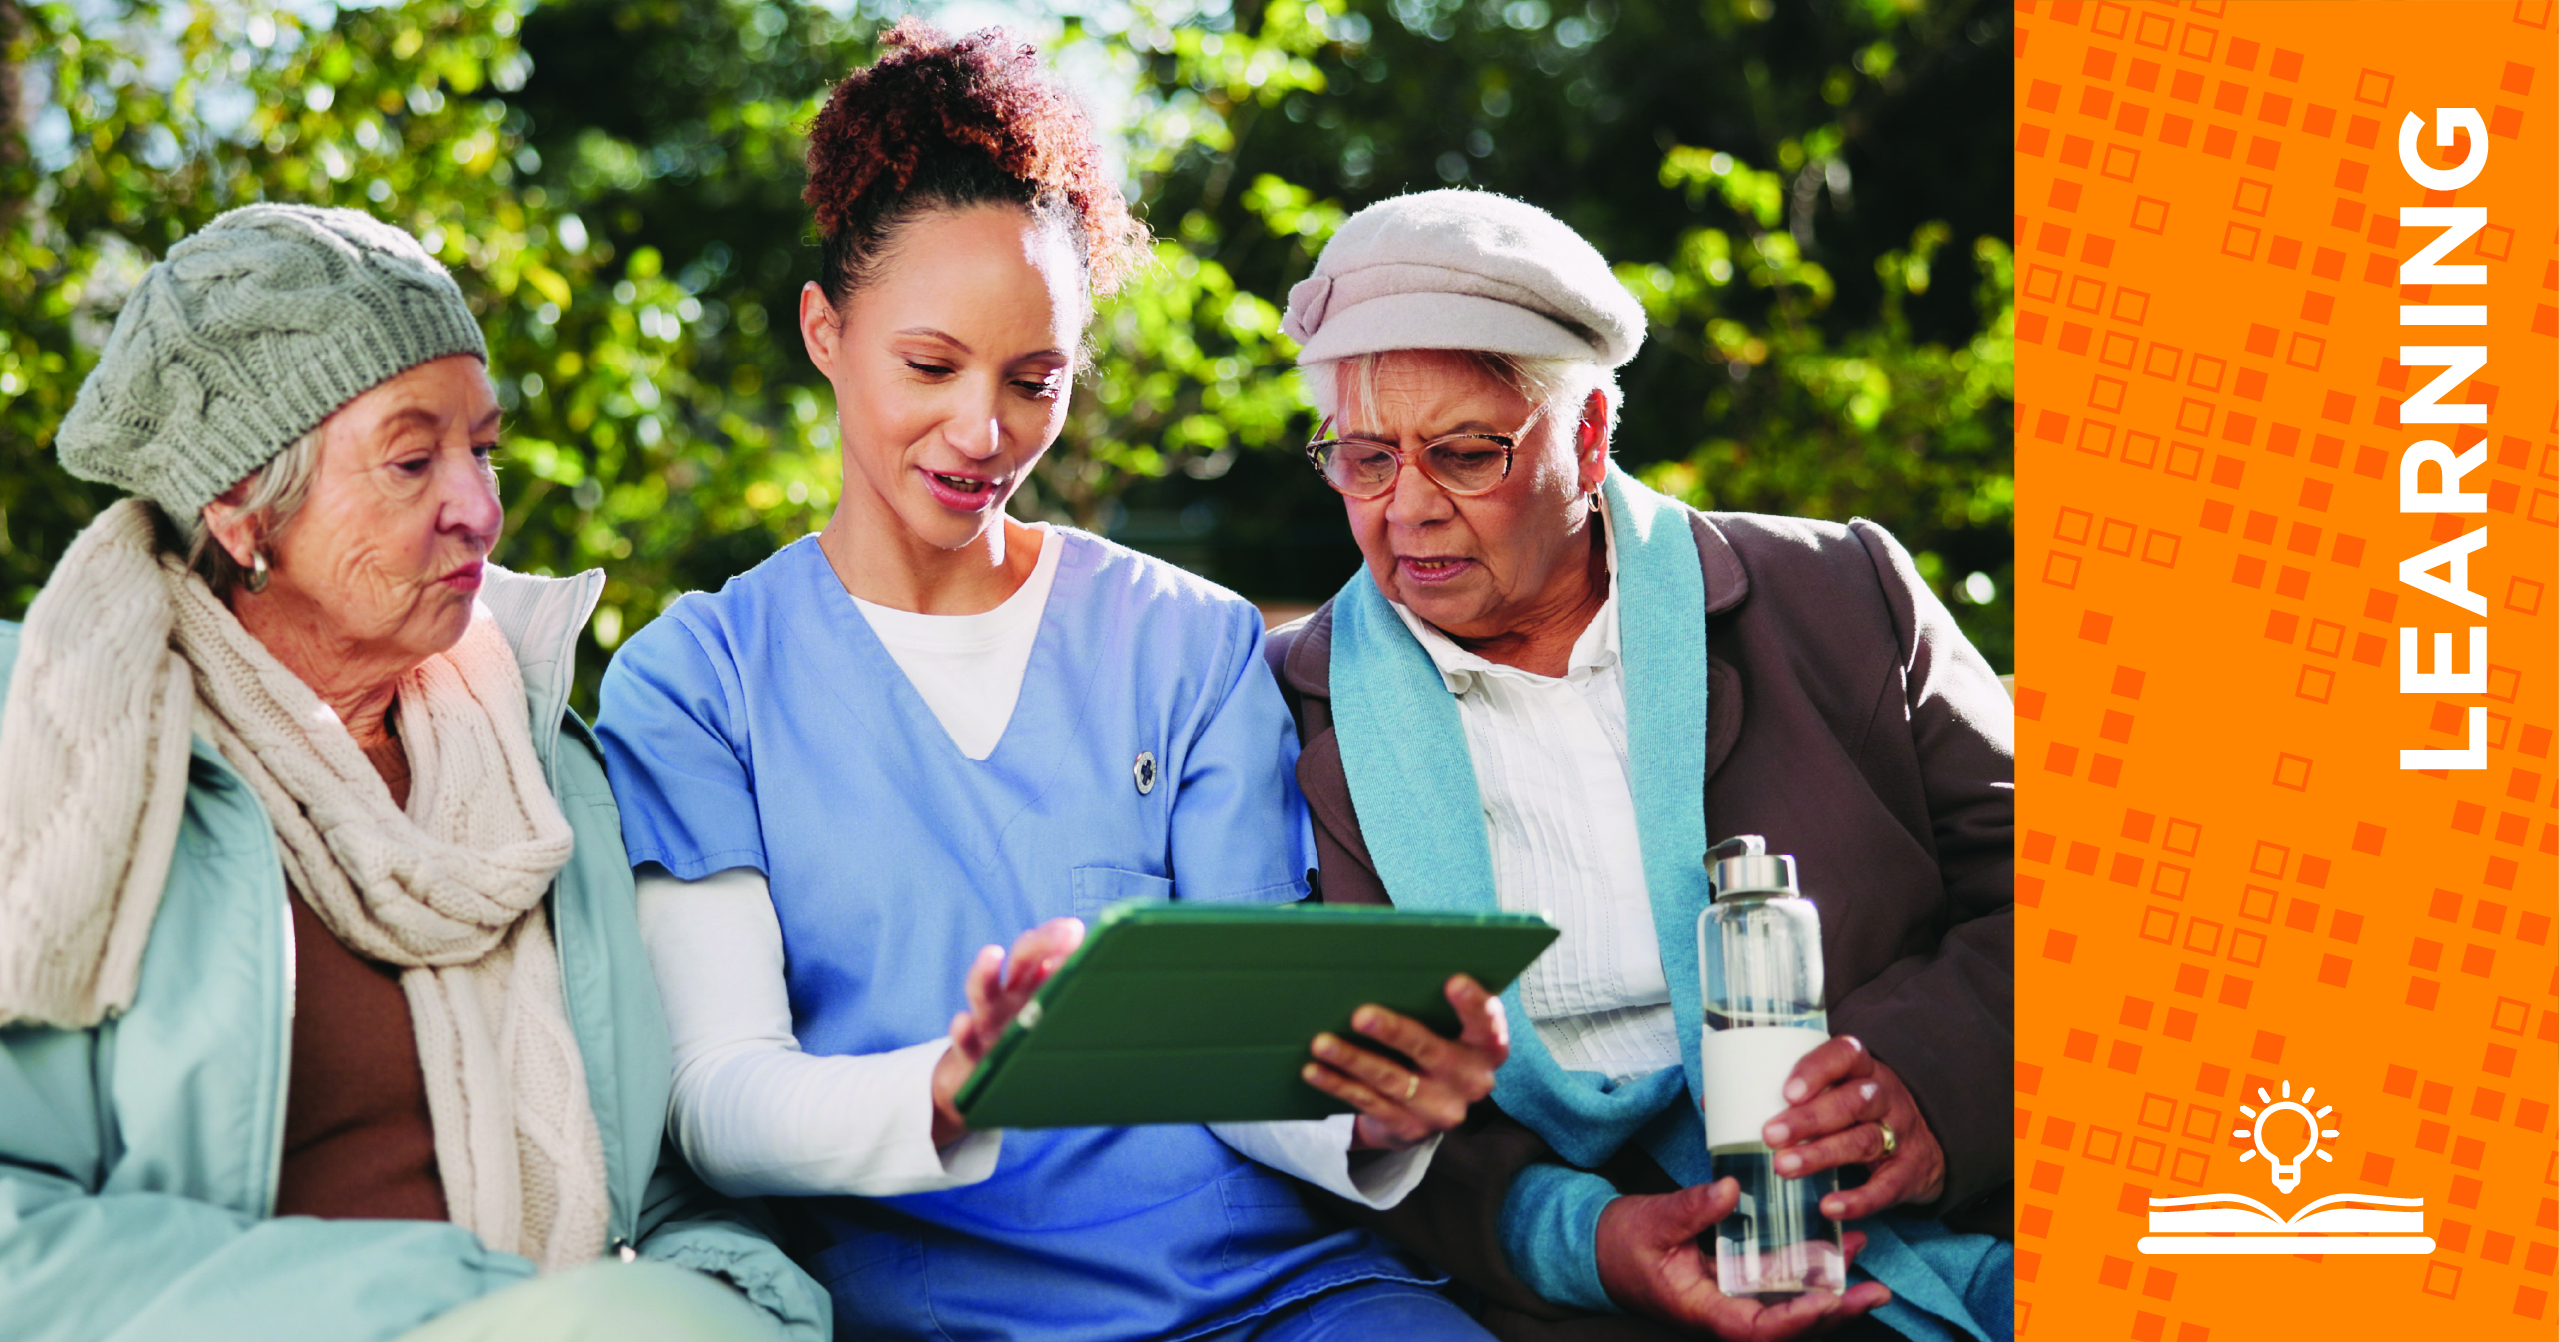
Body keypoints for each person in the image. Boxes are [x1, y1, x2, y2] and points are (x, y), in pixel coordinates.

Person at [592, 24, 1506, 1342]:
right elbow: (720, 1096)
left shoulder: (1186, 643)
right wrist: (946, 1086)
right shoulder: (695, 682)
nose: (984, 432)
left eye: (1035, 381)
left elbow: (1241, 1056)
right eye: (929, 366)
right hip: (937, 1311)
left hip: (1271, 1298)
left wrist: (1361, 1105)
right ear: (823, 331)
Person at [0, 206, 826, 1340]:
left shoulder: (547, 768)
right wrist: (457, 1311)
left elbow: (668, 1185)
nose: (482, 510)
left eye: (482, 449)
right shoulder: (67, 749)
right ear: (244, 505)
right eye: (411, 459)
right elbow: (20, 1238)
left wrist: (734, 1308)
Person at [1260, 190, 2015, 1342]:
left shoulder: (1839, 595)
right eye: (1364, 458)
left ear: (1593, 432)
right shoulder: (1285, 708)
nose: (1407, 507)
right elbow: (1302, 1096)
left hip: (1932, 1235)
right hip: (1552, 1308)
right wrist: (1579, 1239)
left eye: (1465, 451)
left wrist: (1933, 1078)